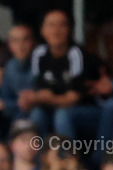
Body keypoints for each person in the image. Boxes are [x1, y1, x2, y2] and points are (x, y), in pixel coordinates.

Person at [22, 9, 104, 140]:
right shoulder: (39, 54)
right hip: (55, 107)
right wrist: (29, 99)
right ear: (42, 30)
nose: (56, 30)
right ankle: (38, 153)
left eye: (62, 25)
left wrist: (40, 98)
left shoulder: (77, 55)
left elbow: (72, 99)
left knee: (62, 114)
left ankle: (67, 153)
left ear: (69, 29)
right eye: (51, 25)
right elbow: (42, 90)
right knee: (37, 114)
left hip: (87, 110)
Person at [0, 24, 35, 128]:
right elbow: (5, 97)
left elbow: (30, 103)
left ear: (33, 42)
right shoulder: (10, 66)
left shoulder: (40, 64)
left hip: (35, 113)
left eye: (25, 40)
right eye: (15, 41)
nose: (21, 45)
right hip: (15, 113)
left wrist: (7, 105)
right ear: (9, 45)